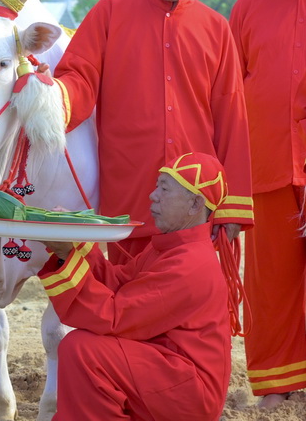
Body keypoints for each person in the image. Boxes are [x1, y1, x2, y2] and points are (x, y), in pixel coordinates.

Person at [50, 0, 253, 263]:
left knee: (191, 295)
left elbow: (231, 115)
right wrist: (50, 96)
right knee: (126, 291)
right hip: (130, 189)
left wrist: (232, 205)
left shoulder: (217, 29)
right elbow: (78, 79)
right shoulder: (109, 13)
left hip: (195, 200)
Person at [39, 152, 232, 421]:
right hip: (166, 368)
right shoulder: (174, 246)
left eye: (164, 189)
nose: (153, 195)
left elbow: (116, 316)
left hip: (188, 390)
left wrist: (68, 254)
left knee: (82, 349)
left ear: (195, 204)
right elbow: (120, 285)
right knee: (82, 346)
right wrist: (74, 243)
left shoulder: (190, 262)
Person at [229, 0, 306, 408]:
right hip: (266, 167)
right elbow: (229, 87)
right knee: (270, 284)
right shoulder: (249, 7)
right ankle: (278, 386)